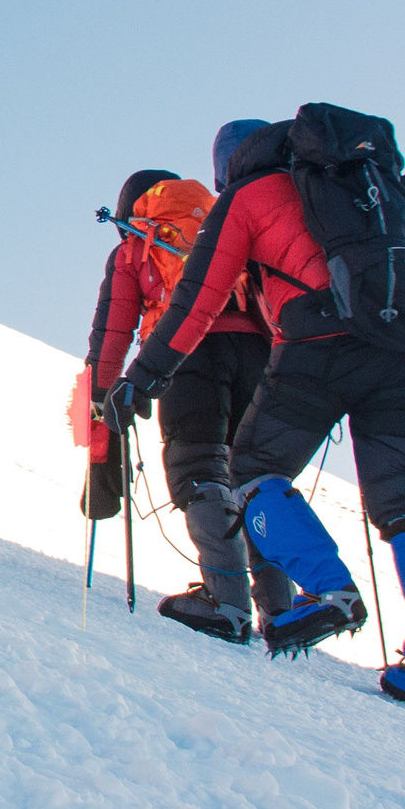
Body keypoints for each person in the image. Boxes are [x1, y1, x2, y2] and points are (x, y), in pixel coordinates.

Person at [107, 111, 405, 718]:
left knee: (249, 471)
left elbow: (198, 301)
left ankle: (327, 585)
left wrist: (143, 378)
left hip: (318, 346)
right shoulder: (360, 182)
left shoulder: (249, 197)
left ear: (228, 166)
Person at [87, 148, 292, 640]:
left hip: (184, 350)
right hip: (259, 356)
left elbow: (113, 333)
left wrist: (103, 399)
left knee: (197, 467)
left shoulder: (135, 248)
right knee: (255, 476)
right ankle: (281, 613)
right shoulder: (225, 224)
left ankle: (227, 603)